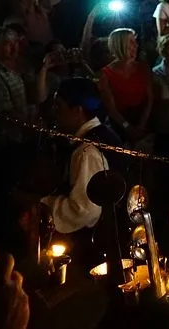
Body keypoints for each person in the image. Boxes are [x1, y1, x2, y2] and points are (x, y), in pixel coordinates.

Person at [40, 78, 122, 268]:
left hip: (98, 246)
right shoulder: (102, 135)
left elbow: (83, 210)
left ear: (77, 111)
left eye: (59, 107)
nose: (55, 113)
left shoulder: (87, 151)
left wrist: (43, 206)